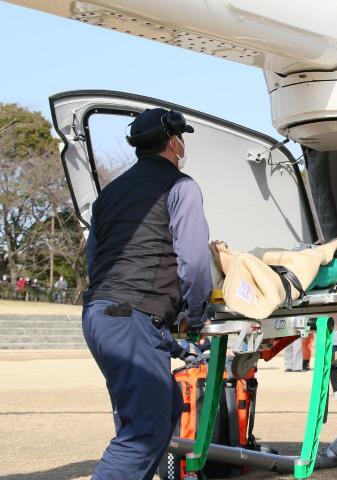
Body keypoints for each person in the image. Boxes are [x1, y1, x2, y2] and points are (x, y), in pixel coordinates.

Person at [82, 108, 212, 480]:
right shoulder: (181, 186)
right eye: (181, 138)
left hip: (100, 314)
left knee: (165, 407)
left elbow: (95, 257)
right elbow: (195, 260)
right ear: (173, 142)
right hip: (131, 316)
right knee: (144, 431)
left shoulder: (109, 194)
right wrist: (197, 314)